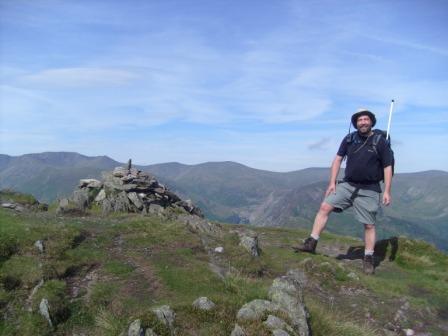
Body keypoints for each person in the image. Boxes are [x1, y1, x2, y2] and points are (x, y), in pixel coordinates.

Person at [294, 109, 394, 275]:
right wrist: (332, 182)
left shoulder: (380, 141)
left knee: (369, 224)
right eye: (360, 120)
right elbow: (338, 159)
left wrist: (387, 191)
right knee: (325, 207)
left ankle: (368, 257)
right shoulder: (349, 139)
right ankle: (311, 243)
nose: (362, 122)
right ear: (356, 123)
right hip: (347, 185)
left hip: (369, 188)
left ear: (371, 122)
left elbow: (387, 167)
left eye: (366, 119)